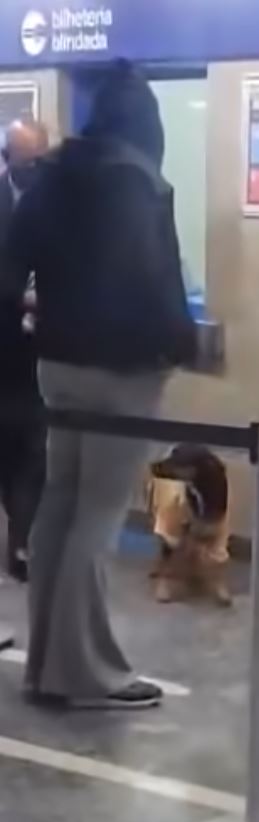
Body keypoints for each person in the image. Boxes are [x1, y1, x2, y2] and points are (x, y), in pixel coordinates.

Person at [0, 61, 196, 708]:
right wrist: (178, 343)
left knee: (59, 505)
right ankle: (88, 673)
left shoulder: (51, 177)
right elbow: (155, 278)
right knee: (98, 516)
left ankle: (46, 668)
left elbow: (10, 263)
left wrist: (38, 315)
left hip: (55, 365)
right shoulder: (140, 182)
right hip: (123, 370)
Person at [0, 120, 49, 581]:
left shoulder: (57, 201)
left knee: (36, 450)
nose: (36, 168)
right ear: (8, 157)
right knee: (9, 450)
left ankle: (22, 541)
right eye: (28, 160)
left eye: (42, 158)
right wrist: (19, 296)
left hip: (40, 353)